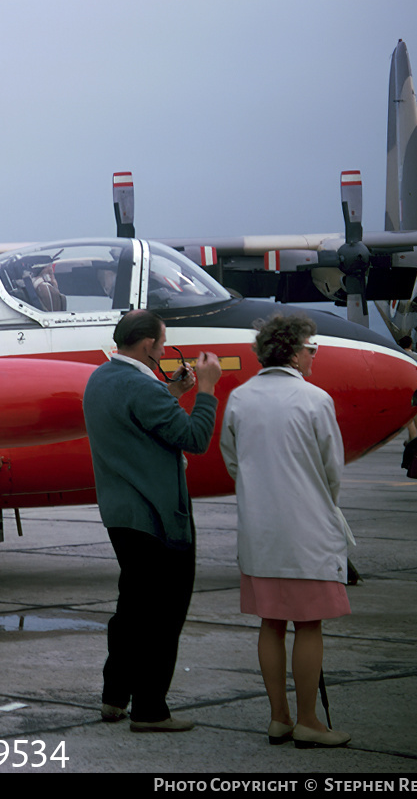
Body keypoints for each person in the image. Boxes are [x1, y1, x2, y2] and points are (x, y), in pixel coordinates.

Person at [83, 309, 221, 733]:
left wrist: (171, 392)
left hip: (121, 514)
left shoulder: (101, 379)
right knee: (163, 613)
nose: (164, 350)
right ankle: (150, 708)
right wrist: (208, 390)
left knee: (132, 608)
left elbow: (140, 421)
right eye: (162, 344)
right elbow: (194, 439)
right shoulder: (143, 388)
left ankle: (115, 696)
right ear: (148, 347)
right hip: (156, 516)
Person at [221, 314, 352, 748]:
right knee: (309, 623)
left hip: (260, 529)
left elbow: (233, 461)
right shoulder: (315, 399)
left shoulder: (240, 398)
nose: (313, 357)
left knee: (271, 621)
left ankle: (279, 716)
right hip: (307, 529)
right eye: (312, 350)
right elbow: (332, 470)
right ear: (296, 351)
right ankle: (310, 720)